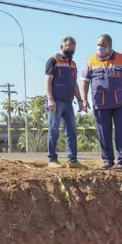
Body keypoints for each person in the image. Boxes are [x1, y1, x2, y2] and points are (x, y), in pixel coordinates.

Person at [81, 34, 122, 169]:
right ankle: (107, 160)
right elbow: (84, 81)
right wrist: (84, 99)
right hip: (100, 104)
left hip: (121, 104)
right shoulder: (91, 61)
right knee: (103, 133)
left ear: (110, 45)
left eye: (103, 45)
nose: (100, 48)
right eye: (98, 45)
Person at [45, 36, 84, 168]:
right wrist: (50, 100)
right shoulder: (53, 61)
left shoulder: (73, 64)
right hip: (55, 101)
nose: (70, 49)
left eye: (73, 47)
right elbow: (48, 81)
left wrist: (80, 100)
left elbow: (75, 84)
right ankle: (52, 160)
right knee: (54, 130)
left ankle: (72, 160)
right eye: (68, 46)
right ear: (62, 46)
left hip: (68, 103)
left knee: (71, 131)